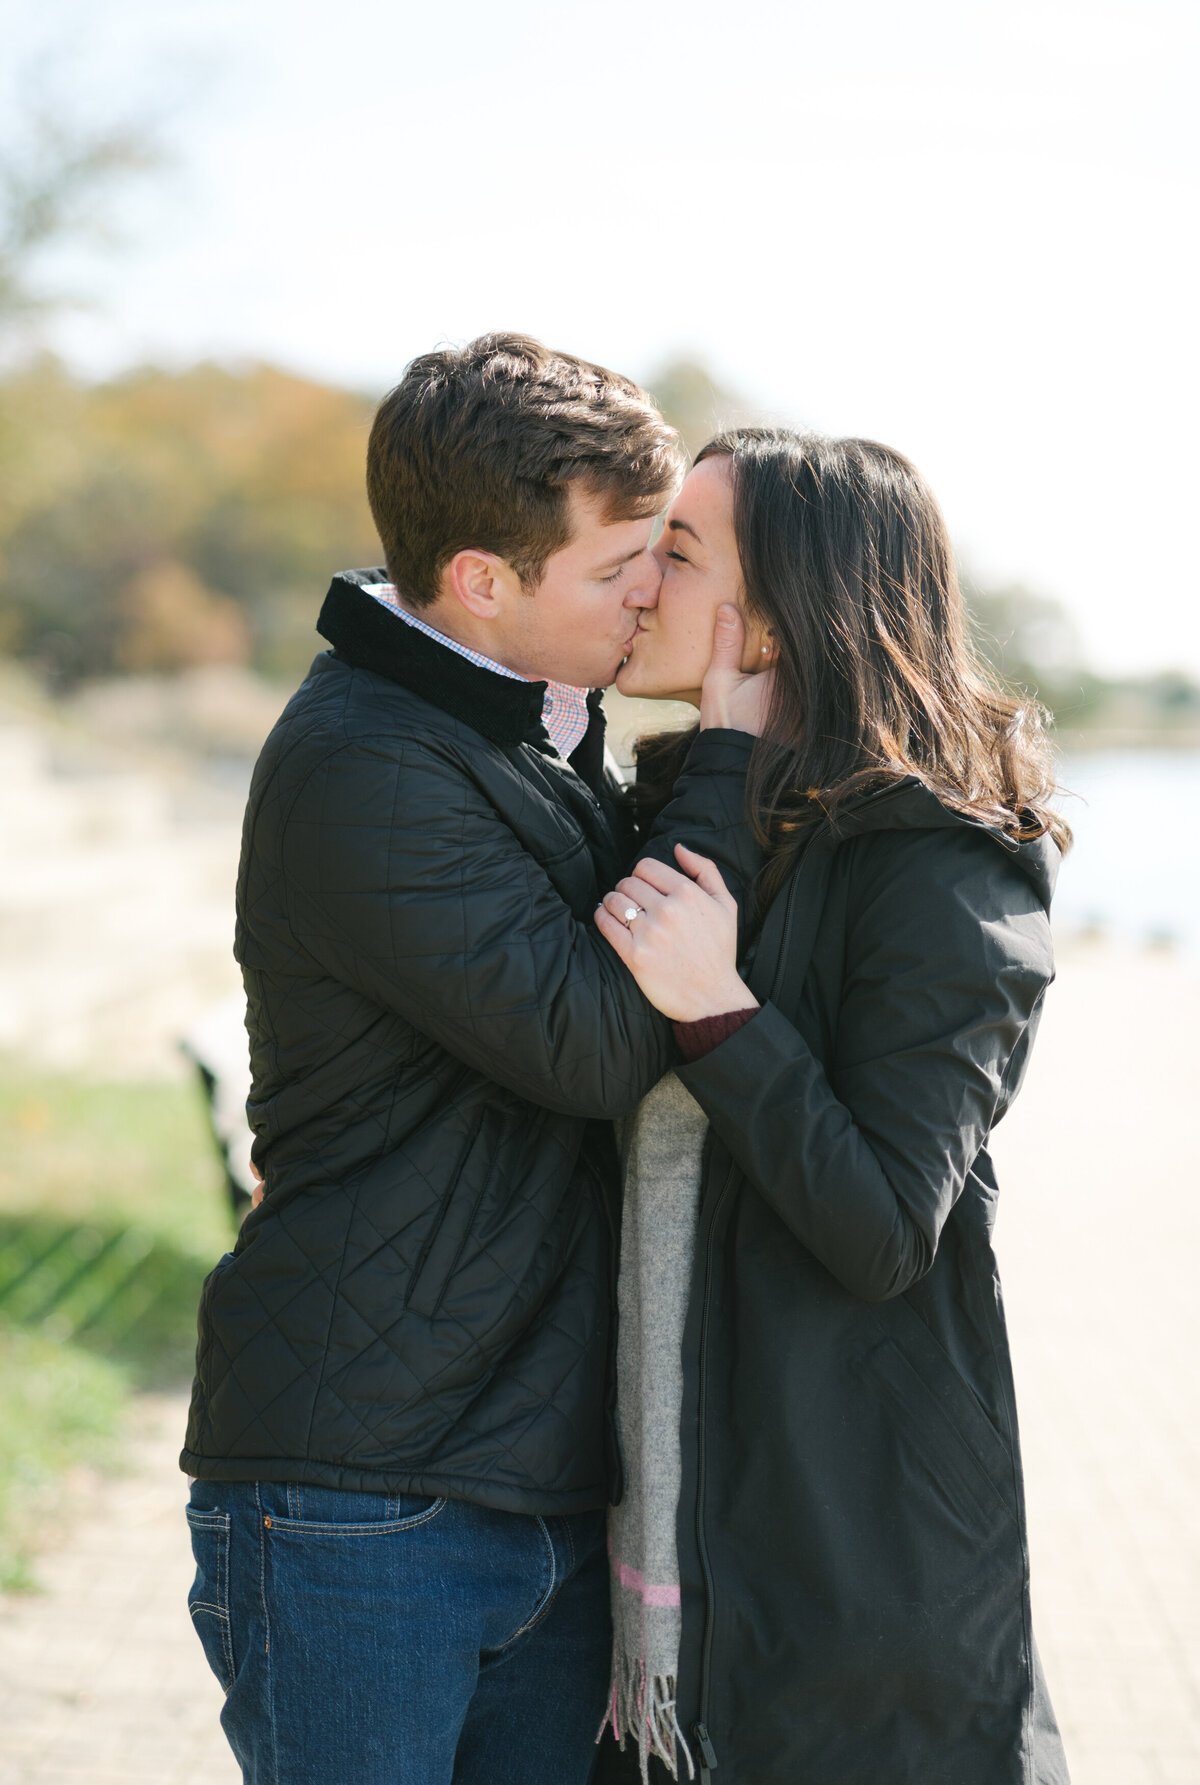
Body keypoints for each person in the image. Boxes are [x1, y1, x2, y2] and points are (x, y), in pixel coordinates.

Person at [180, 335, 773, 1785]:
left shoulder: (522, 728)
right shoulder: (371, 764)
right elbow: (597, 1040)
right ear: (482, 580)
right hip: (364, 1497)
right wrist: (728, 749)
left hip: (527, 1481)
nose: (656, 591)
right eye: (622, 561)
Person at [591, 430, 1072, 1784]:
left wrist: (721, 1013)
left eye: (677, 551)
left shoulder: (945, 864)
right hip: (654, 1556)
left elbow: (878, 1227)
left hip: (843, 1586)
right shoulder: (694, 802)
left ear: (792, 607)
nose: (639, 579)